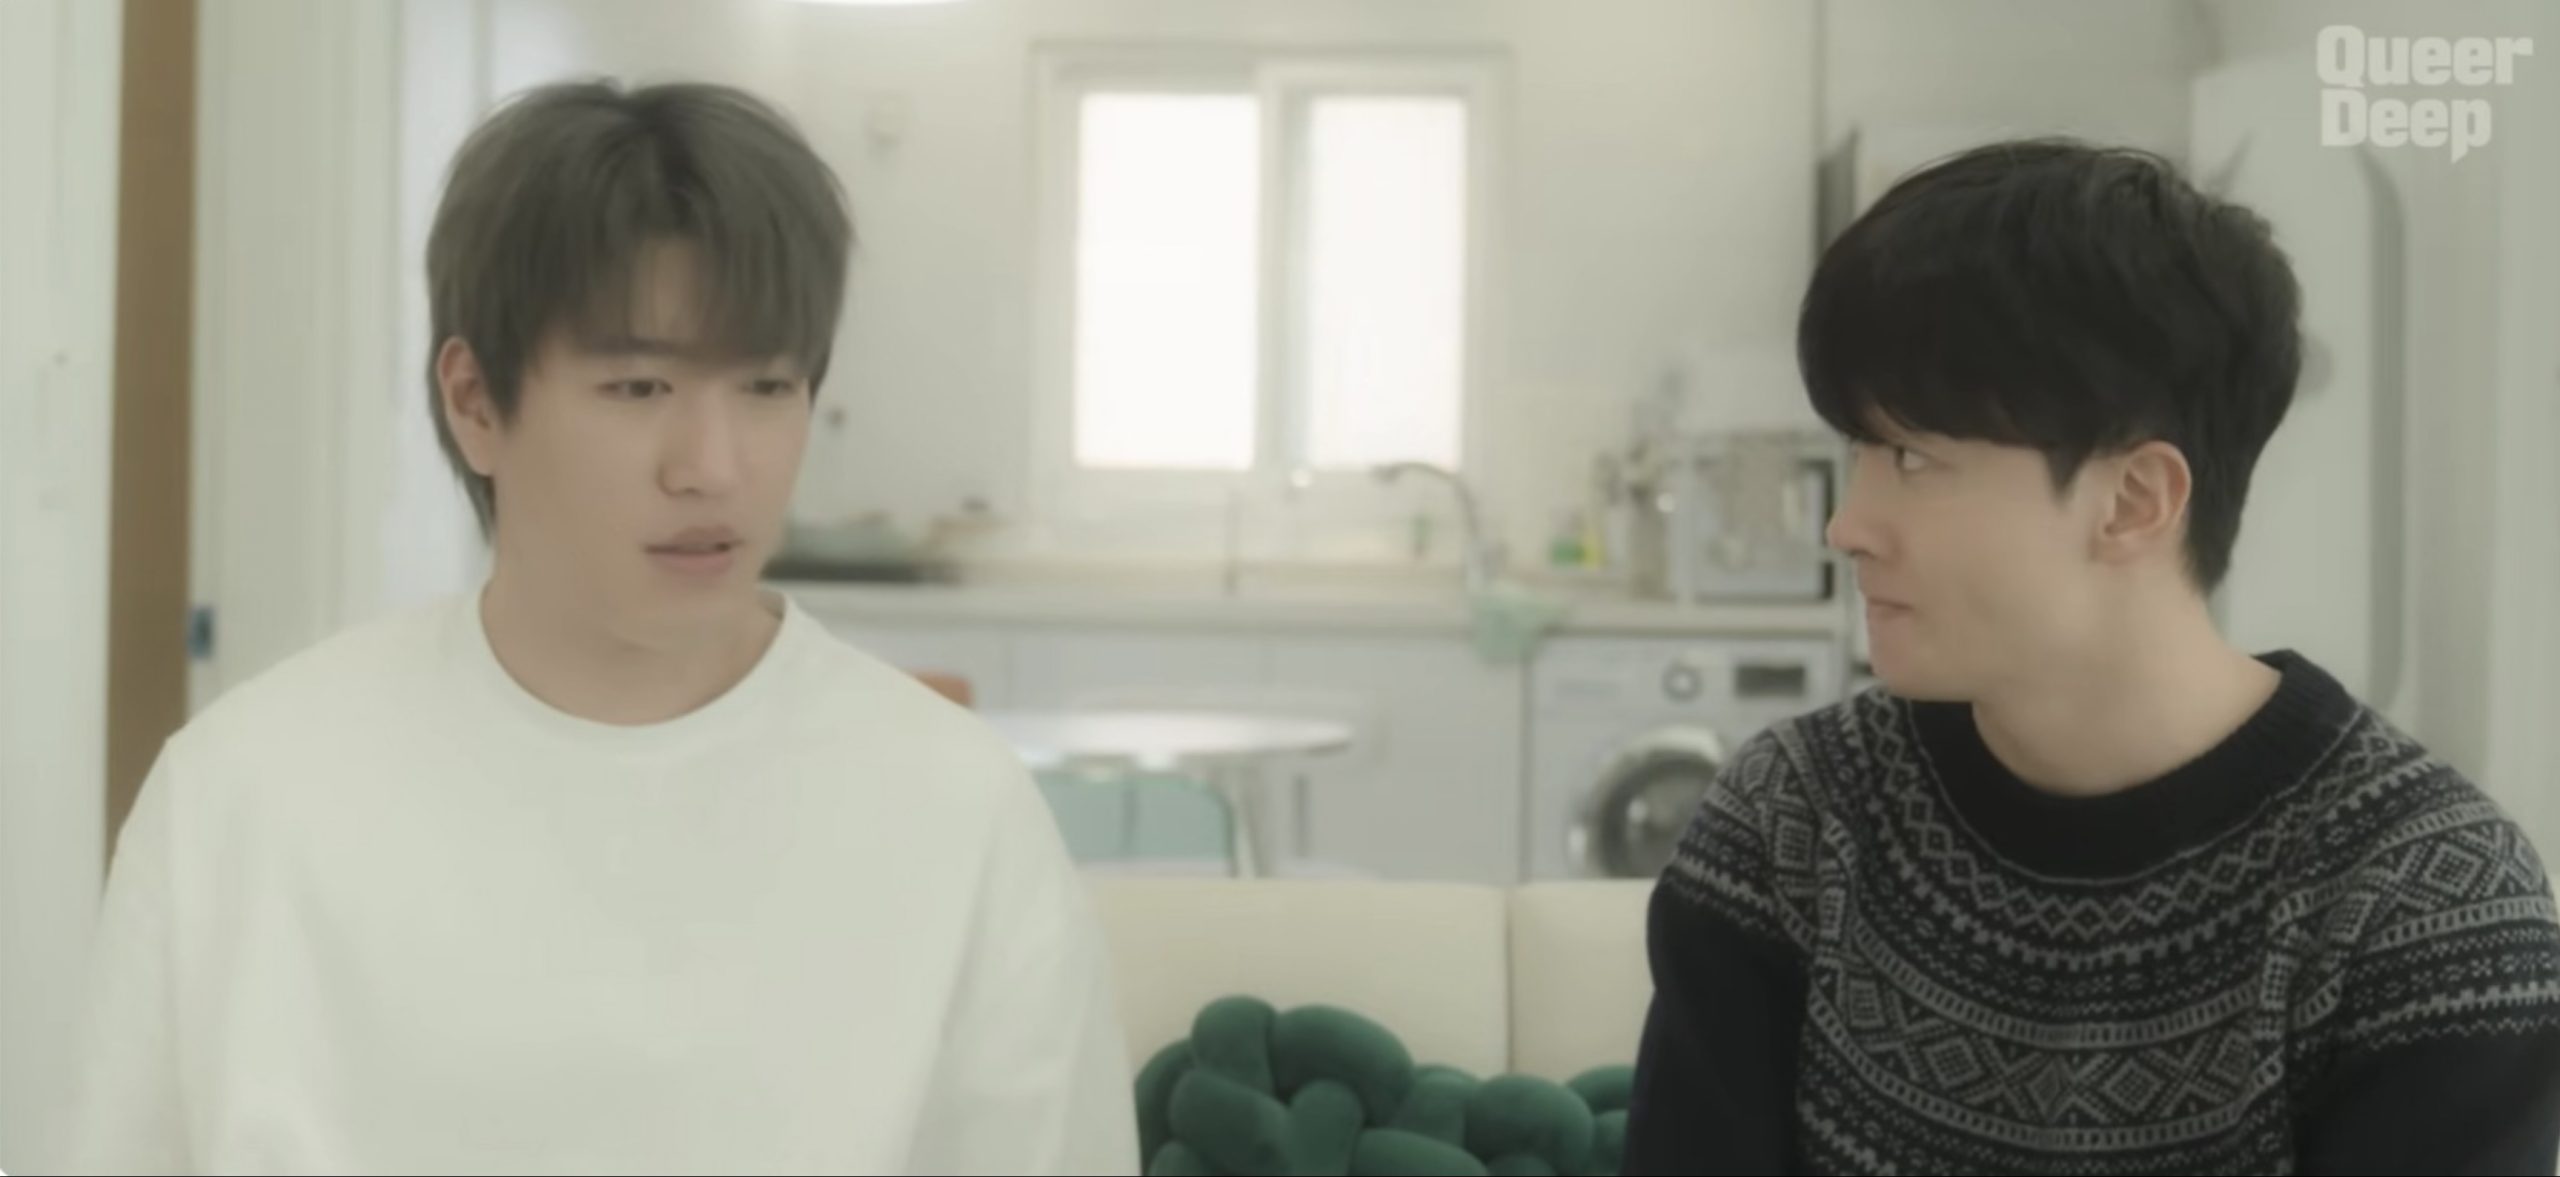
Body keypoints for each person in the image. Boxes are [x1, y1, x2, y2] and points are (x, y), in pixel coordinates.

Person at [61, 79, 1139, 1175]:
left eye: (767, 386)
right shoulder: (243, 795)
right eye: (638, 387)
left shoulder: (954, 810)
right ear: (474, 401)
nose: (711, 467)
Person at [1622, 138, 2560, 1174]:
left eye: (1913, 457)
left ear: (2133, 501)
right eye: (1859, 451)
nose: (1847, 525)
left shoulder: (2428, 905)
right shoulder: (1792, 818)